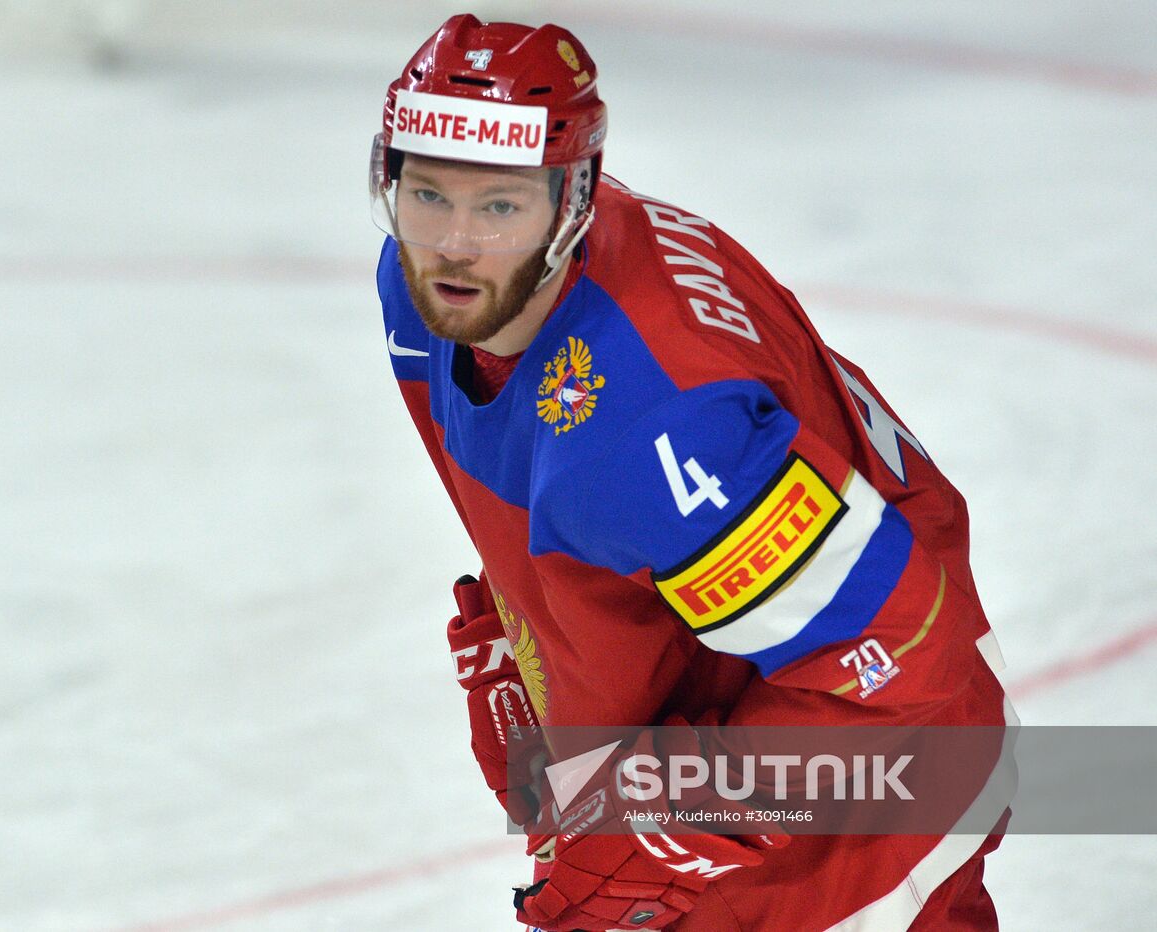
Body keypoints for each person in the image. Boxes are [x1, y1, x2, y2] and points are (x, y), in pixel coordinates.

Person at [371, 14, 1012, 931]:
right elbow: (564, 504)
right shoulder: (420, 295)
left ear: (572, 199)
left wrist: (660, 816)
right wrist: (548, 646)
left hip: (869, 817)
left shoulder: (657, 427)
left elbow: (905, 664)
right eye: (428, 195)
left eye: (500, 206)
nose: (455, 246)